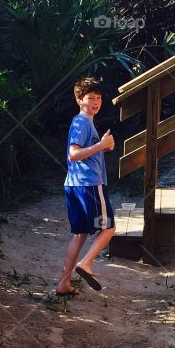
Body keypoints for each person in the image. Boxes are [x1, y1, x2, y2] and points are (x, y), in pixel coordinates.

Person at [55, 76, 117, 296]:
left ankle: (63, 283)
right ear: (79, 99)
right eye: (90, 98)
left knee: (80, 234)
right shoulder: (82, 122)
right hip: (89, 185)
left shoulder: (84, 122)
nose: (96, 102)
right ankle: (86, 263)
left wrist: (103, 146)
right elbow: (73, 154)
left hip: (75, 185)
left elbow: (83, 152)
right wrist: (101, 145)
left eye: (98, 98)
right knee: (108, 228)